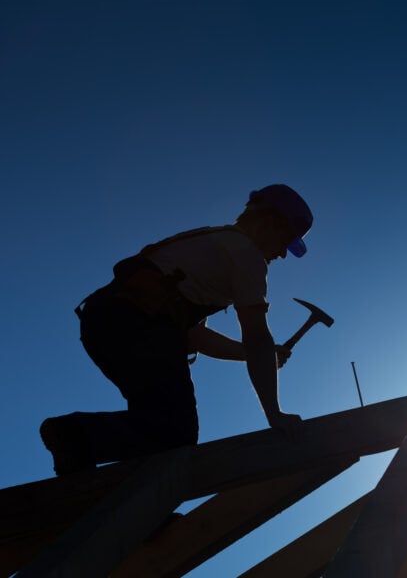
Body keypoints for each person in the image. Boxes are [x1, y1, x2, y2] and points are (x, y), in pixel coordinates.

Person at [40, 184, 313, 476]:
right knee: (174, 431)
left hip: (104, 322)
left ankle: (83, 465)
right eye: (286, 240)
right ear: (269, 222)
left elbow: (196, 337)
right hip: (137, 325)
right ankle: (74, 435)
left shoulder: (209, 246)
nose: (283, 254)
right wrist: (275, 413)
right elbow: (258, 337)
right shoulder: (248, 256)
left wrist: (258, 356)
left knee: (158, 427)